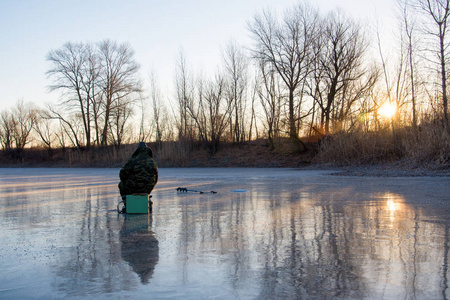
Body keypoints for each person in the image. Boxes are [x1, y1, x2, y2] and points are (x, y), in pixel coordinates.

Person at [118, 142, 158, 210]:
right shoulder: (152, 162)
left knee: (121, 185)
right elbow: (156, 178)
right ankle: (145, 198)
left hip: (133, 188)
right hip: (147, 188)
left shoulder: (132, 160)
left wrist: (127, 180)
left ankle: (127, 204)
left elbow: (122, 174)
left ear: (138, 150)